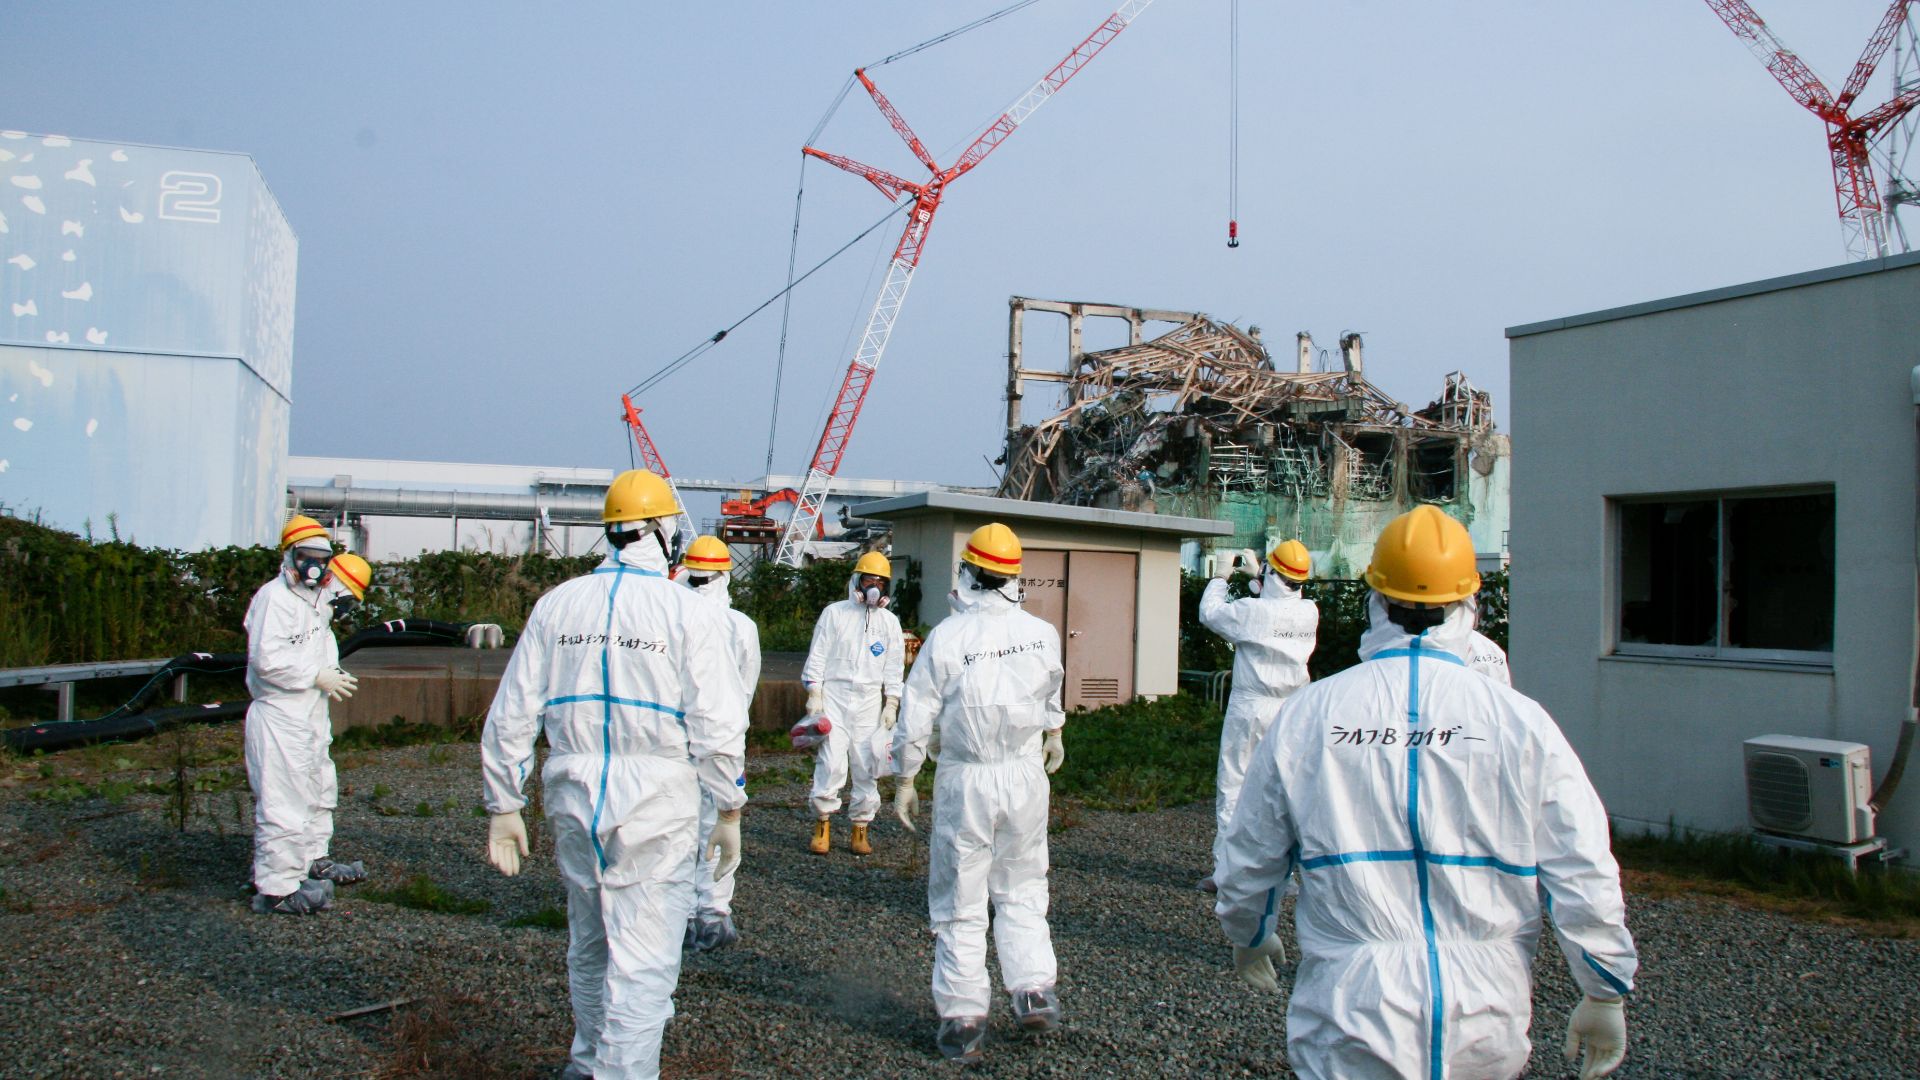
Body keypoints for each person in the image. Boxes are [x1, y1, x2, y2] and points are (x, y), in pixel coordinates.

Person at [1214, 505, 1637, 1080]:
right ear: (1468, 604)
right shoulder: (1520, 720)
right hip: (1487, 1008)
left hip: (1350, 1005)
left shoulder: (1311, 714)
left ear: (1376, 599)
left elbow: (1253, 847)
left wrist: (1250, 932)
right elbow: (1582, 862)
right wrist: (1603, 987)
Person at [480, 470, 747, 1080]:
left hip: (572, 789)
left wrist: (504, 804)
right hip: (655, 795)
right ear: (659, 532)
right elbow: (717, 725)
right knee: (644, 959)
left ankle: (587, 1060)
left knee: (591, 941)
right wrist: (729, 808)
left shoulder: (558, 605)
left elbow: (512, 712)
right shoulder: (685, 610)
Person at [893, 523, 1067, 1065]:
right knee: (1022, 882)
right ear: (1013, 577)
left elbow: (915, 711)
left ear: (968, 573)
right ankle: (1033, 988)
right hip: (1024, 775)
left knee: (961, 898)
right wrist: (1054, 732)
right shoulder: (1041, 631)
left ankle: (963, 1017)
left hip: (967, 779)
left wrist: (904, 776)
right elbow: (1052, 687)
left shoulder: (949, 637)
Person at [243, 516, 366, 915]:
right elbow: (266, 662)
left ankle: (311, 861)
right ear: (289, 557)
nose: (314, 566)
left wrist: (325, 675)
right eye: (306, 557)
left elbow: (314, 651)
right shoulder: (273, 599)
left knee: (317, 791)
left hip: (308, 716)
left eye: (322, 558)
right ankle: (277, 888)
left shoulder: (314, 603)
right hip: (280, 717)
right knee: (284, 803)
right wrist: (314, 675)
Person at [1196, 540, 1318, 893]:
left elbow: (1211, 613)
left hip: (1252, 706)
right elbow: (1278, 608)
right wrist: (1261, 580)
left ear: (1273, 574)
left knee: (1234, 786)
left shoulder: (1253, 611)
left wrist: (1221, 576)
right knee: (1284, 792)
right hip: (1293, 709)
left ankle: (1227, 873)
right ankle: (1284, 874)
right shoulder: (1309, 611)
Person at [677, 534, 760, 953]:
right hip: (724, 741)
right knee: (722, 823)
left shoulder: (666, 617)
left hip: (673, 744)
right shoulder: (740, 627)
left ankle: (680, 913)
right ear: (725, 576)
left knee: (678, 826)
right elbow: (745, 688)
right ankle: (713, 910)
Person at [802, 549, 904, 856]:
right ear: (857, 581)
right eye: (868, 579)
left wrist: (892, 703)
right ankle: (823, 824)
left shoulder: (889, 623)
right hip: (834, 697)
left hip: (870, 701)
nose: (874, 585)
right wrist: (814, 692)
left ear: (886, 588)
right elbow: (818, 655)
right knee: (831, 762)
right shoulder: (835, 613)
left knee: (866, 765)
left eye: (880, 581)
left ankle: (861, 828)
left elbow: (894, 666)